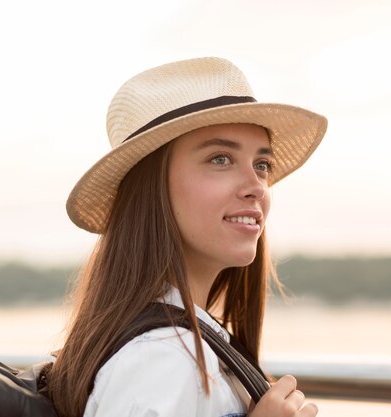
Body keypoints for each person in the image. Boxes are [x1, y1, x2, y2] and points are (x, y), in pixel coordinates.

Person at [48, 57, 328, 417]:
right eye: (221, 159)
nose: (256, 187)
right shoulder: (161, 358)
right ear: (153, 190)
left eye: (262, 165)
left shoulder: (188, 342)